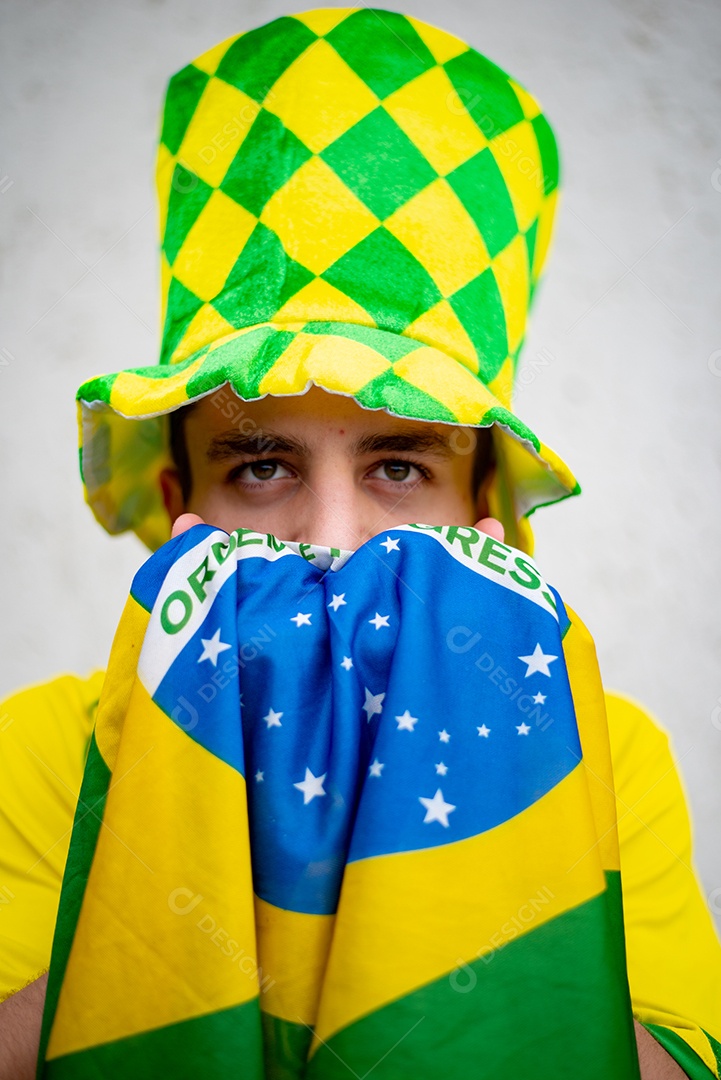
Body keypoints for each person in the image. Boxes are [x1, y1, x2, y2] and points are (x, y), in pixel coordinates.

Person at [1, 8, 720, 1079]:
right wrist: (173, 802)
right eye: (262, 467)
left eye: (398, 468)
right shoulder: (53, 747)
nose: (331, 541)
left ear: (487, 515)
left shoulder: (601, 752)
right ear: (177, 501)